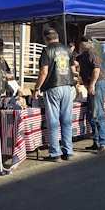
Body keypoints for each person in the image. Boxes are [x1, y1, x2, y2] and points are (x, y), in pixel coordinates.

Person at [33, 28, 76, 161]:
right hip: (67, 86)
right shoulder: (67, 49)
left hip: (53, 87)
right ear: (57, 37)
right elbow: (73, 69)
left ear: (46, 39)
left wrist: (36, 88)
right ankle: (68, 151)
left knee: (53, 121)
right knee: (67, 120)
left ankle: (55, 153)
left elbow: (44, 72)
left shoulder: (46, 51)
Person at [75, 38, 105, 153]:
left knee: (98, 114)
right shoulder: (82, 56)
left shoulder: (91, 53)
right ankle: (97, 141)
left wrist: (92, 84)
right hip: (93, 84)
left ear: (85, 44)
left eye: (81, 43)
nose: (79, 45)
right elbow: (76, 65)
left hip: (98, 84)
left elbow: (96, 69)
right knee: (91, 114)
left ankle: (104, 142)